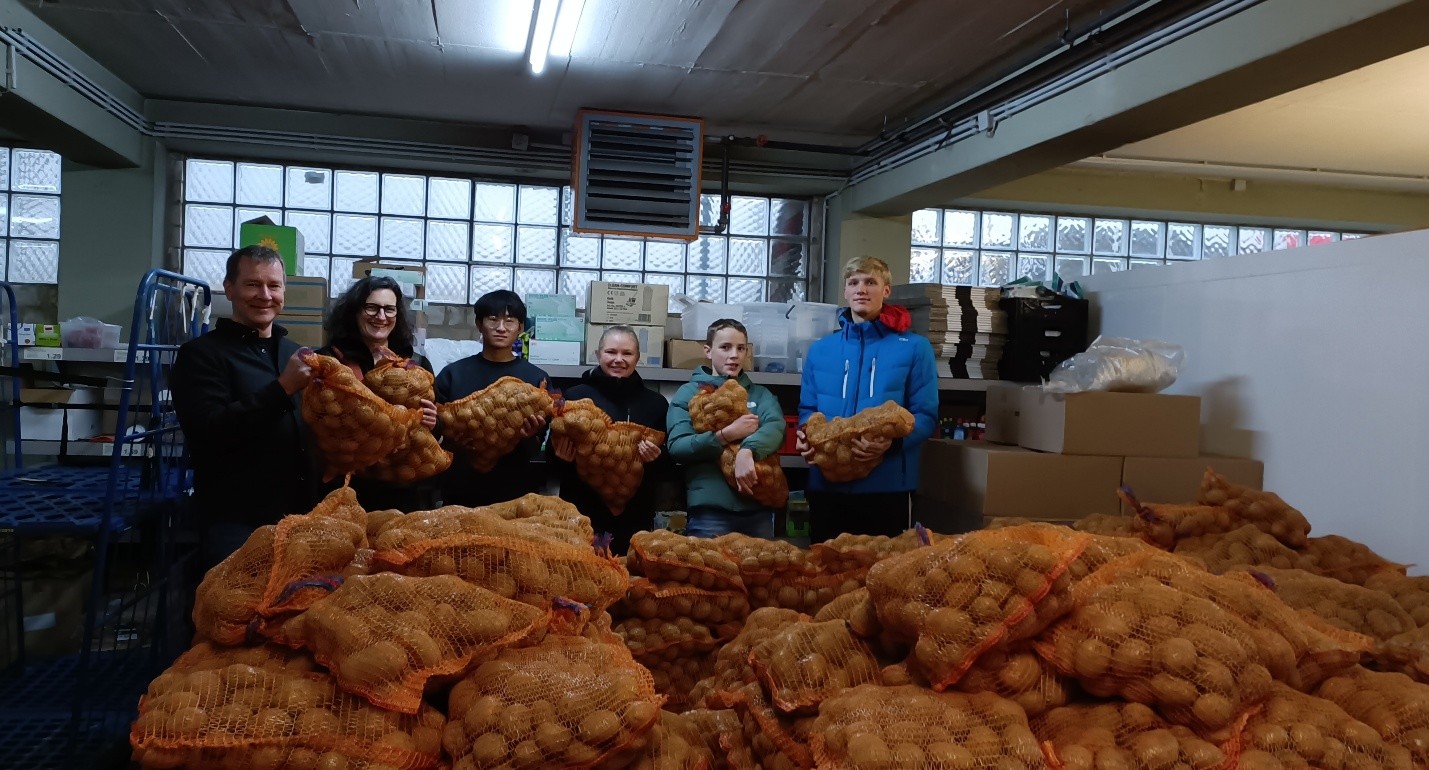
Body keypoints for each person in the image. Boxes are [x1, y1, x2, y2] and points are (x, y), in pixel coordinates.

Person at [172, 245, 317, 568]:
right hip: (235, 524)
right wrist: (283, 389)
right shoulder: (201, 355)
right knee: (234, 611)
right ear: (229, 289)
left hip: (300, 518)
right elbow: (209, 432)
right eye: (252, 284)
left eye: (273, 285)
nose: (264, 295)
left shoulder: (293, 353)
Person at [797, 256, 939, 542]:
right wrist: (806, 436)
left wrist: (891, 444)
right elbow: (808, 409)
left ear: (886, 290)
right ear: (846, 292)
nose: (861, 289)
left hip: (886, 486)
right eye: (854, 282)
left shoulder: (914, 348)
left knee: (881, 575)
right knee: (824, 575)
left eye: (870, 282)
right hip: (827, 485)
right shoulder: (821, 350)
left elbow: (926, 415)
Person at [317, 275, 439, 512]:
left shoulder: (415, 364)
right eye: (371, 308)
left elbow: (437, 420)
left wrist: (436, 421)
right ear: (354, 311)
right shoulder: (330, 361)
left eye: (389, 310)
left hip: (402, 489)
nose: (381, 317)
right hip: (345, 489)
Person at [549, 325, 671, 554]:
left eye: (627, 353)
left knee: (630, 579)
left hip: (635, 515)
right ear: (598, 355)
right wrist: (560, 458)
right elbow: (551, 461)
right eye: (611, 352)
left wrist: (657, 457)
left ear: (638, 358)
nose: (618, 359)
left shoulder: (655, 404)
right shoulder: (575, 397)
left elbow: (666, 465)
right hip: (581, 511)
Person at [667, 319, 786, 539]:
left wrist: (748, 450)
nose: (734, 355)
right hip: (710, 514)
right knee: (710, 572)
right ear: (708, 351)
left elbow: (776, 428)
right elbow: (678, 446)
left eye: (741, 348)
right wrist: (726, 435)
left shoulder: (760, 395)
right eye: (725, 347)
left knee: (757, 573)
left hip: (758, 509)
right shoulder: (689, 394)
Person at [434, 290, 549, 507]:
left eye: (510, 321)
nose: (501, 328)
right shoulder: (453, 375)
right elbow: (435, 434)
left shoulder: (536, 380)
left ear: (521, 328)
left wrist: (529, 436)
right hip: (460, 491)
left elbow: (536, 448)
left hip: (515, 493)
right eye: (493, 319)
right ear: (479, 324)